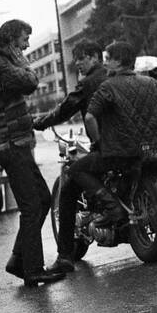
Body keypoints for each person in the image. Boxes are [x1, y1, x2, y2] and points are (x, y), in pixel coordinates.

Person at [0, 19, 65, 287]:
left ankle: (19, 259)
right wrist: (23, 63)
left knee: (43, 199)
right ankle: (33, 269)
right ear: (12, 39)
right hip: (11, 144)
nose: (27, 45)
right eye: (24, 39)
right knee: (31, 205)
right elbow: (30, 81)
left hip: (16, 143)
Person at [65, 40, 157, 227]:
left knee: (75, 169)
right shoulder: (152, 83)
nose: (105, 63)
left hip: (121, 153)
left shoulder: (108, 86)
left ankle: (112, 207)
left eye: (108, 59)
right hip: (154, 151)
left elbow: (90, 117)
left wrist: (98, 142)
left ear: (119, 61)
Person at [31, 39, 107, 272]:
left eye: (82, 58)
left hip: (107, 148)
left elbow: (65, 109)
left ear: (95, 57)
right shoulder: (115, 76)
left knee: (70, 183)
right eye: (76, 59)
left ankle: (64, 256)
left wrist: (41, 122)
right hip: (131, 146)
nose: (77, 64)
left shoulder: (89, 83)